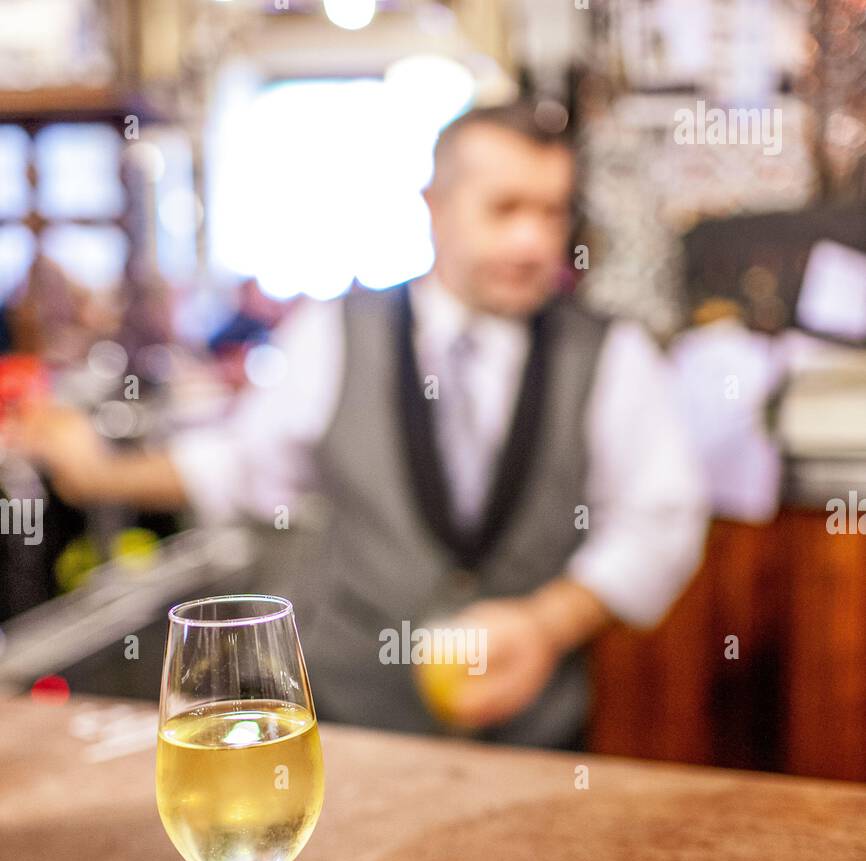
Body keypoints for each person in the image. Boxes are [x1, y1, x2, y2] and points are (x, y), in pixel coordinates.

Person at [2, 102, 707, 748]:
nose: (532, 242)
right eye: (505, 209)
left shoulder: (612, 352)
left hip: (535, 742)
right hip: (359, 730)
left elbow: (659, 521)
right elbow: (244, 470)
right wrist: (98, 474)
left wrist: (546, 624)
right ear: (434, 206)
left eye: (552, 214)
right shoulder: (335, 330)